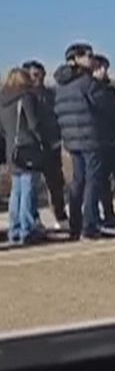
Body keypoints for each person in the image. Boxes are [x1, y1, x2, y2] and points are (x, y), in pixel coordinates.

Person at [54, 42, 115, 239]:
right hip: (91, 138)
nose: (92, 59)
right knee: (93, 180)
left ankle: (76, 224)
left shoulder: (61, 86)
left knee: (78, 180)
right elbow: (106, 106)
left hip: (72, 140)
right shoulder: (88, 83)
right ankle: (89, 224)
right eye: (88, 55)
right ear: (76, 59)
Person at [2, 68, 51, 245]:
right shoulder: (26, 98)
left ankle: (14, 229)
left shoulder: (4, 101)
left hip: (12, 150)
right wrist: (44, 140)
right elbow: (33, 123)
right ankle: (27, 228)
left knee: (16, 191)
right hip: (28, 148)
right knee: (29, 189)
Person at [22, 61, 67, 230]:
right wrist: (40, 139)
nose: (39, 79)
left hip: (52, 145)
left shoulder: (50, 94)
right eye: (35, 75)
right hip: (34, 147)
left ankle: (60, 215)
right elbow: (32, 123)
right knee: (31, 186)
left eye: (42, 75)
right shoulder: (26, 96)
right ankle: (33, 218)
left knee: (56, 184)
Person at [90, 55, 115, 228]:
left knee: (110, 179)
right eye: (100, 68)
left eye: (105, 67)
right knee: (98, 180)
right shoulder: (90, 90)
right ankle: (95, 215)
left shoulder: (110, 90)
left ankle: (109, 212)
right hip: (97, 140)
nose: (104, 71)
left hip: (113, 140)